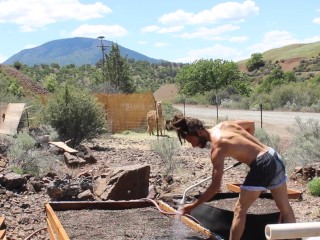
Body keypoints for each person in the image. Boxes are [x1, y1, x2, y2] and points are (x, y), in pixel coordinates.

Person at [169, 115, 296, 240]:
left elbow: (215, 187)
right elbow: (250, 124)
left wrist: (192, 206)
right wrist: (249, 147)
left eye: (191, 141)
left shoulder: (217, 149)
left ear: (199, 132)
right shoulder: (224, 125)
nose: (193, 145)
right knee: (285, 208)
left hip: (262, 164)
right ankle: (297, 238)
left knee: (239, 210)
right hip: (273, 155)